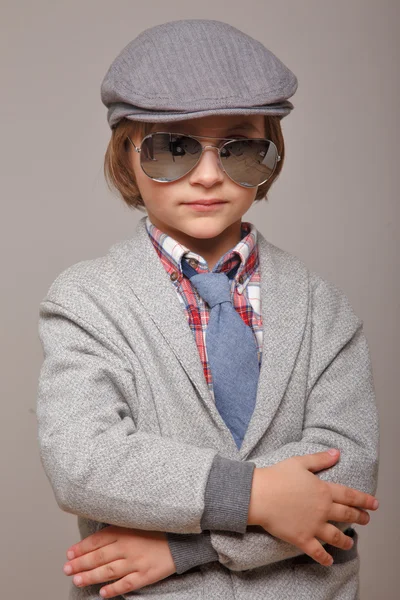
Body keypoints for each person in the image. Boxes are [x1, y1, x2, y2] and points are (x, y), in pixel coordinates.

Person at [36, 18, 379, 600]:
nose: (209, 175)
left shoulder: (324, 307)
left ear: (270, 155)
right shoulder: (87, 300)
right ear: (126, 155)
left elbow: (346, 477)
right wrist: (261, 500)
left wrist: (186, 546)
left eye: (240, 148)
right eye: (175, 147)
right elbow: (85, 461)